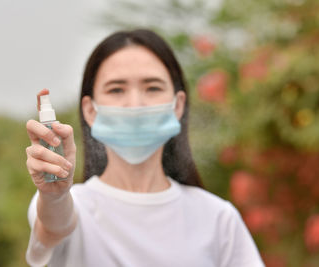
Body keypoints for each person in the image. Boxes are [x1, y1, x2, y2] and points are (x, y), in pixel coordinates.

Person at [25, 29, 264, 267]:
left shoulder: (218, 218)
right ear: (90, 110)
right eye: (116, 90)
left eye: (153, 88)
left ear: (178, 105)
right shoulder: (69, 204)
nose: (135, 105)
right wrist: (54, 195)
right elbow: (55, 226)